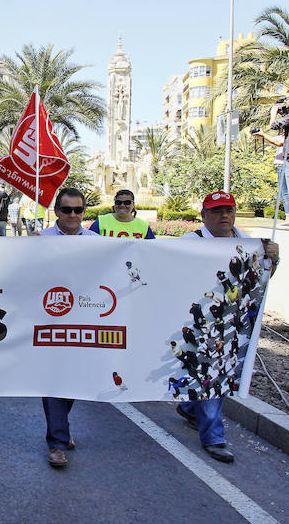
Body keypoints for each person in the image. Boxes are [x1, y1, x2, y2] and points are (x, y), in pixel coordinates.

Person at [176, 191, 280, 463]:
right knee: (212, 375)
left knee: (225, 373)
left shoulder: (249, 241)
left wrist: (273, 260)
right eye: (216, 211)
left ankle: (190, 407)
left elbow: (259, 279)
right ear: (204, 215)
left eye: (229, 210)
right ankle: (214, 437)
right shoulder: (190, 242)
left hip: (235, 322)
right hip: (201, 322)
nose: (224, 216)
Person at [37, 187, 99, 468]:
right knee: (53, 379)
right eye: (67, 210)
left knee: (73, 379)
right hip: (48, 319)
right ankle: (58, 442)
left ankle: (61, 426)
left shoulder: (98, 243)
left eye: (78, 210)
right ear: (56, 212)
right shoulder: (39, 240)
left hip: (83, 321)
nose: (73, 215)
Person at [89, 189, 154, 238]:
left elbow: (153, 249)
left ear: (133, 204)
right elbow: (89, 243)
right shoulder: (101, 221)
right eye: (118, 202)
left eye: (127, 202)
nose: (122, 205)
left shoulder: (144, 226)